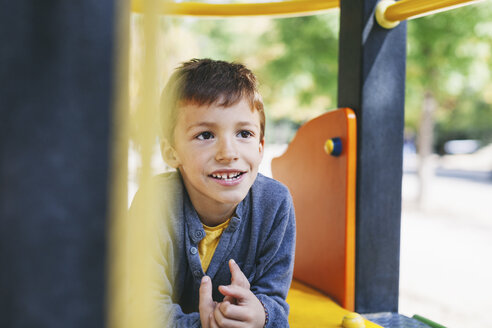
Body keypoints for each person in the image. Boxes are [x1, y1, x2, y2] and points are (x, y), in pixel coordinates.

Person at [130, 58, 296, 327]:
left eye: (244, 133)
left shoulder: (274, 204)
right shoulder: (155, 204)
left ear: (260, 147)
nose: (228, 153)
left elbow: (275, 302)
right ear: (171, 152)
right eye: (206, 135)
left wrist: (260, 313)